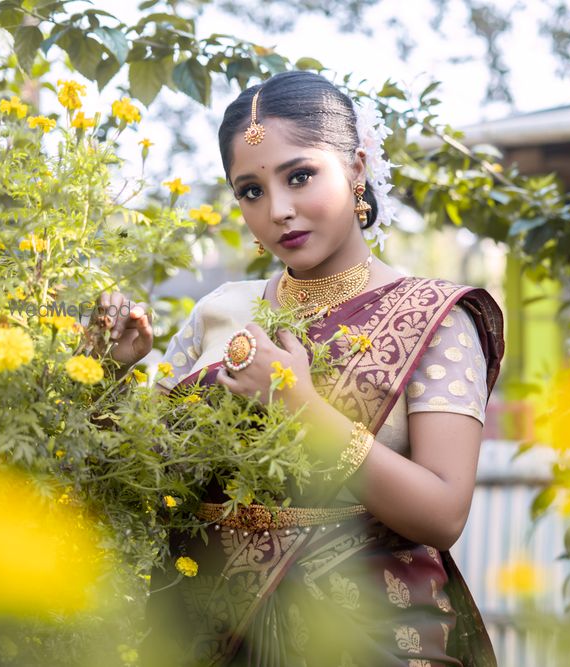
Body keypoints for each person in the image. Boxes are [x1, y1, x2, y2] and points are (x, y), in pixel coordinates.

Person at [102, 70, 504, 666]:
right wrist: (111, 375)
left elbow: (443, 514)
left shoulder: (436, 317)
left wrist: (302, 409)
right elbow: (145, 482)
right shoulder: (222, 311)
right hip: (208, 630)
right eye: (251, 191)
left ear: (358, 167)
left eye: (300, 175)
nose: (279, 211)